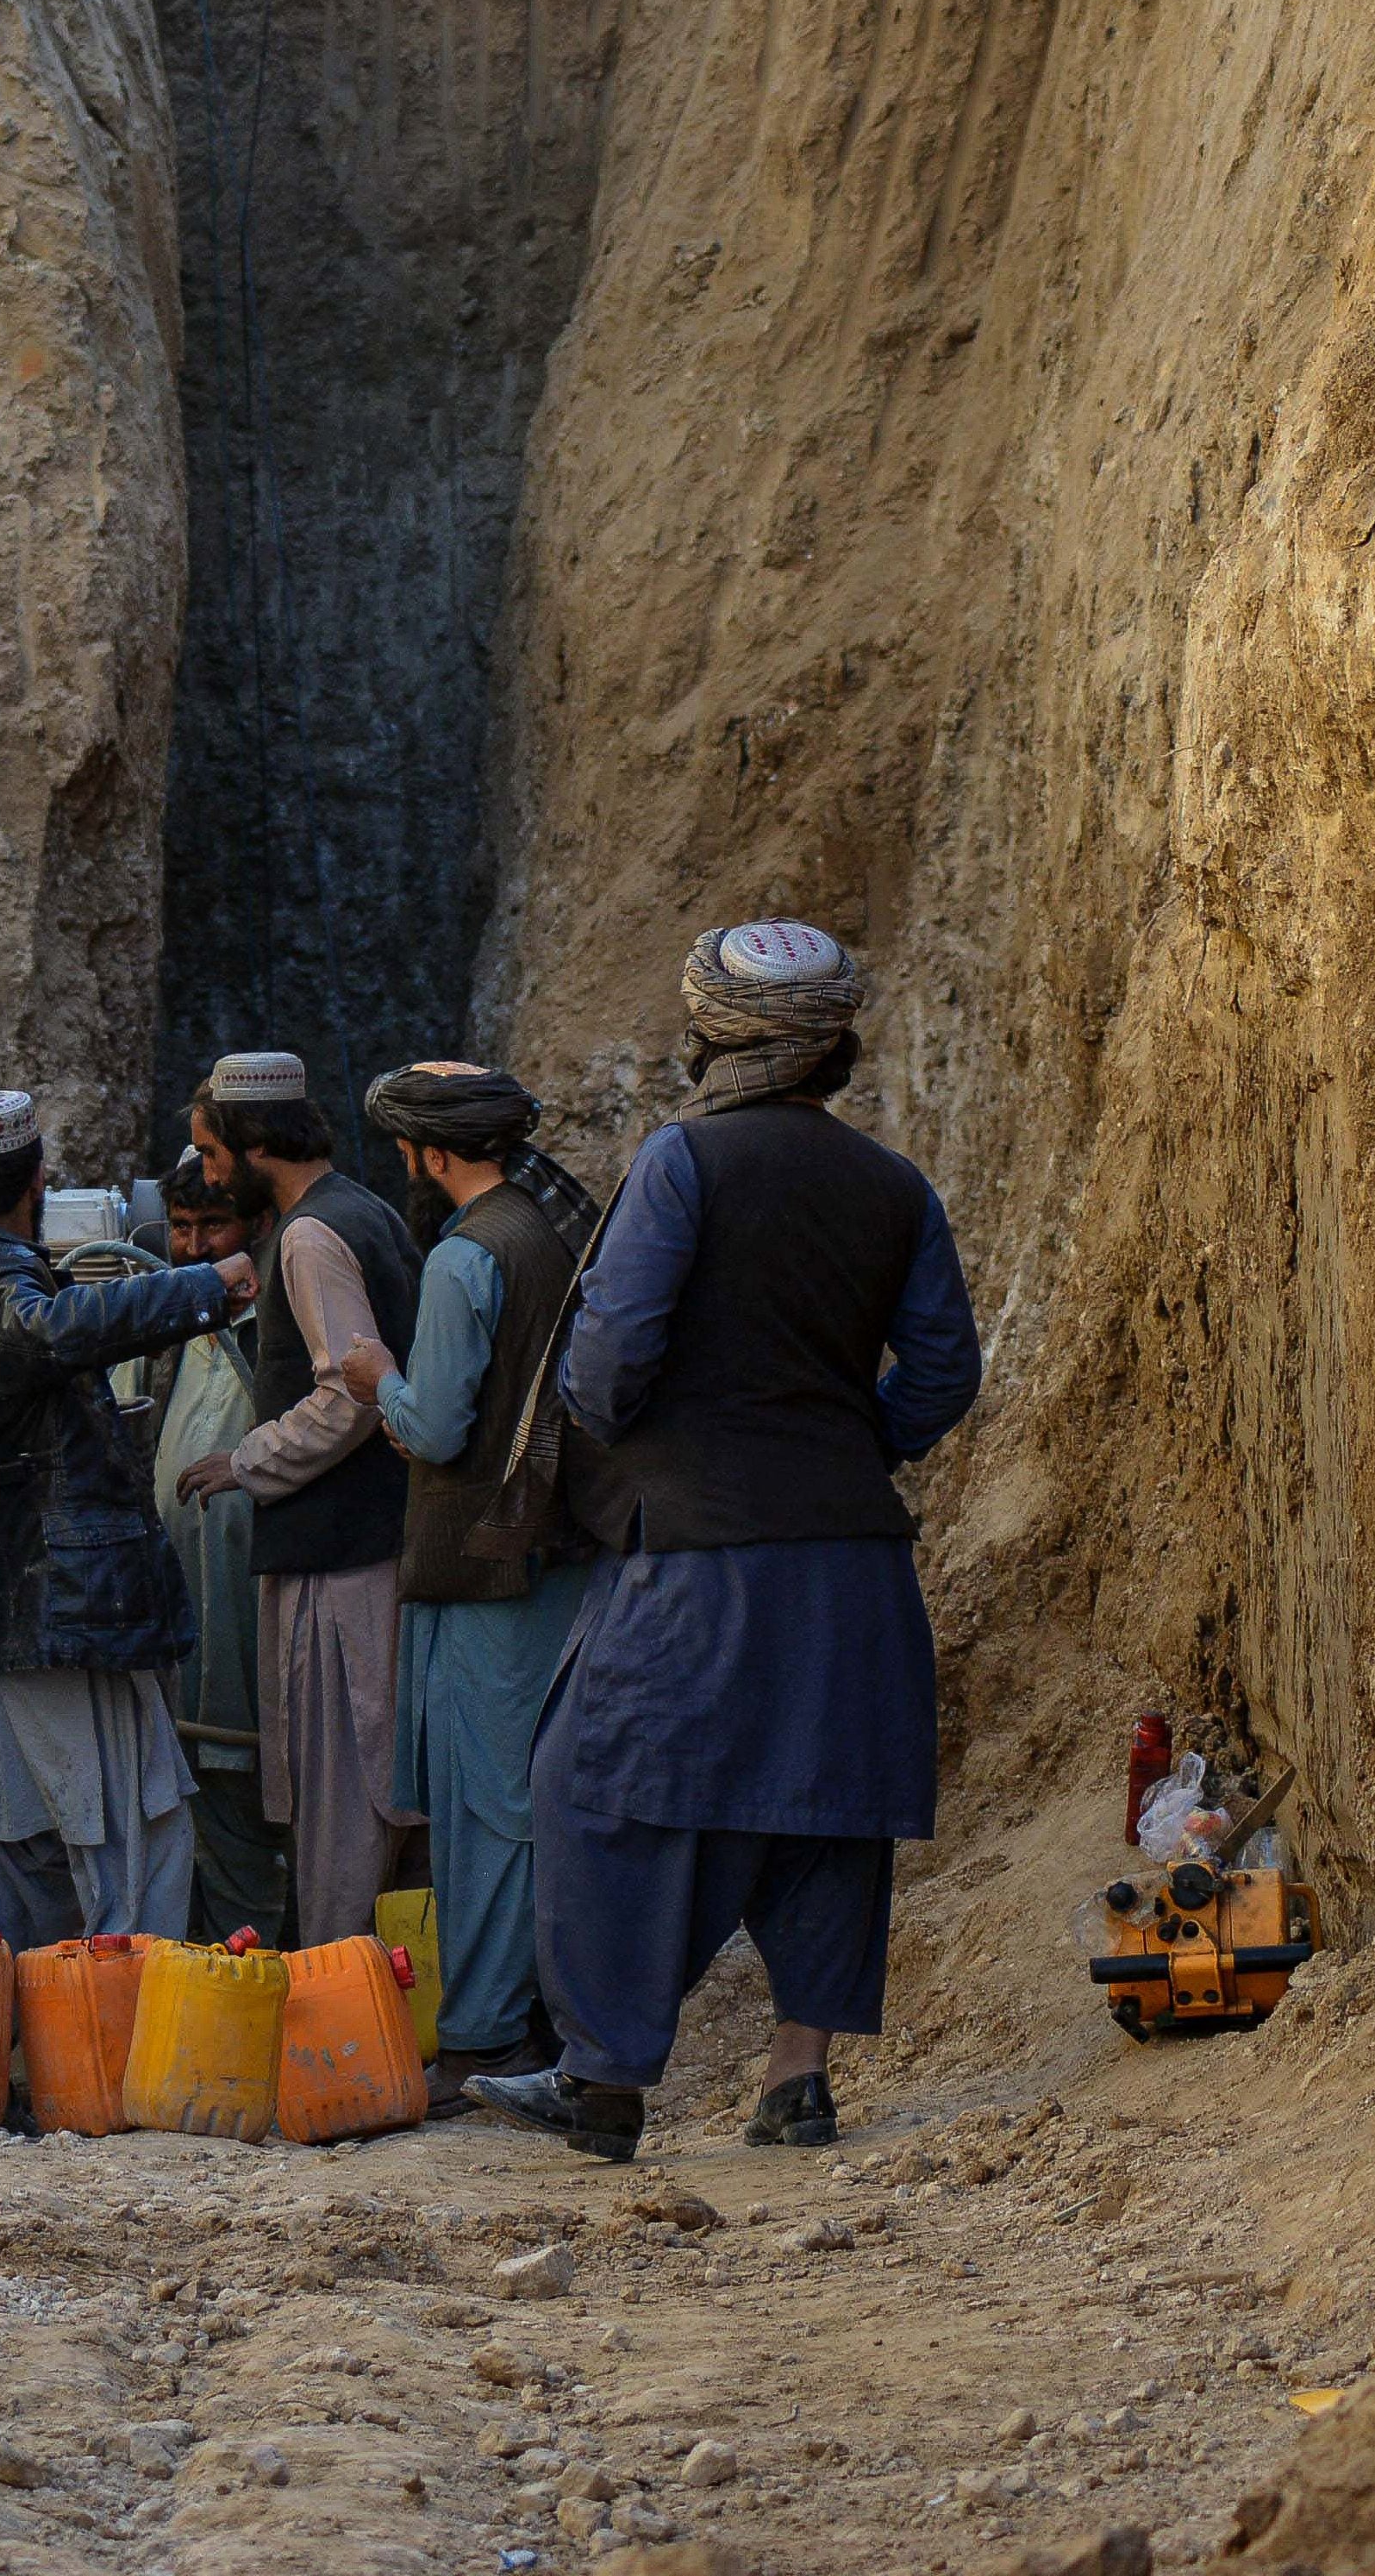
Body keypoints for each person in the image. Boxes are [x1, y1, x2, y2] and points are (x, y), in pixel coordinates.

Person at [469, 922, 983, 2166]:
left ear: (712, 1038)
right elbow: (942, 1376)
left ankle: (600, 2083)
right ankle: (795, 2083)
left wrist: (634, 1431)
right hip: (856, 1556)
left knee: (591, 1786)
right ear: (832, 1048)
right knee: (823, 1805)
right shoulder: (893, 1185)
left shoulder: (679, 1161)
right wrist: (848, 1440)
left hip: (699, 1551)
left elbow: (610, 1357)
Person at [0, 1091, 253, 1944]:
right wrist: (206, 1286)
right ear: (36, 1178)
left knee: (6, 1840)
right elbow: (42, 1332)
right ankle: (126, 2041)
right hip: (52, 1606)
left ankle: (8, 2043)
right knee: (128, 1833)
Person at [334, 1063, 599, 2107]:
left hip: (484, 1566)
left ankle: (484, 2037)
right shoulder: (545, 1228)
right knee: (527, 1794)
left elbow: (435, 1427)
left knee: (483, 1805)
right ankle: (532, 2014)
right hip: (548, 1559)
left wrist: (373, 1381)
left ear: (429, 1155)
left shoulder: (463, 1258)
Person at [174, 1052, 424, 1949]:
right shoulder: (358, 1211)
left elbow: (349, 1392)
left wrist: (245, 1459)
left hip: (342, 1561)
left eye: (210, 1156)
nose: (205, 1176)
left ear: (250, 1145)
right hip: (366, 1546)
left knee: (344, 1801)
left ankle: (335, 2018)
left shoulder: (313, 1239)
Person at [136, 1154, 290, 1943]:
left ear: (255, 1227)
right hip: (179, 1628)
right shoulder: (160, 1325)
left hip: (246, 1622)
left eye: (212, 1226)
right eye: (183, 1227)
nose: (193, 1246)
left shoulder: (274, 1330)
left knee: (251, 1800)